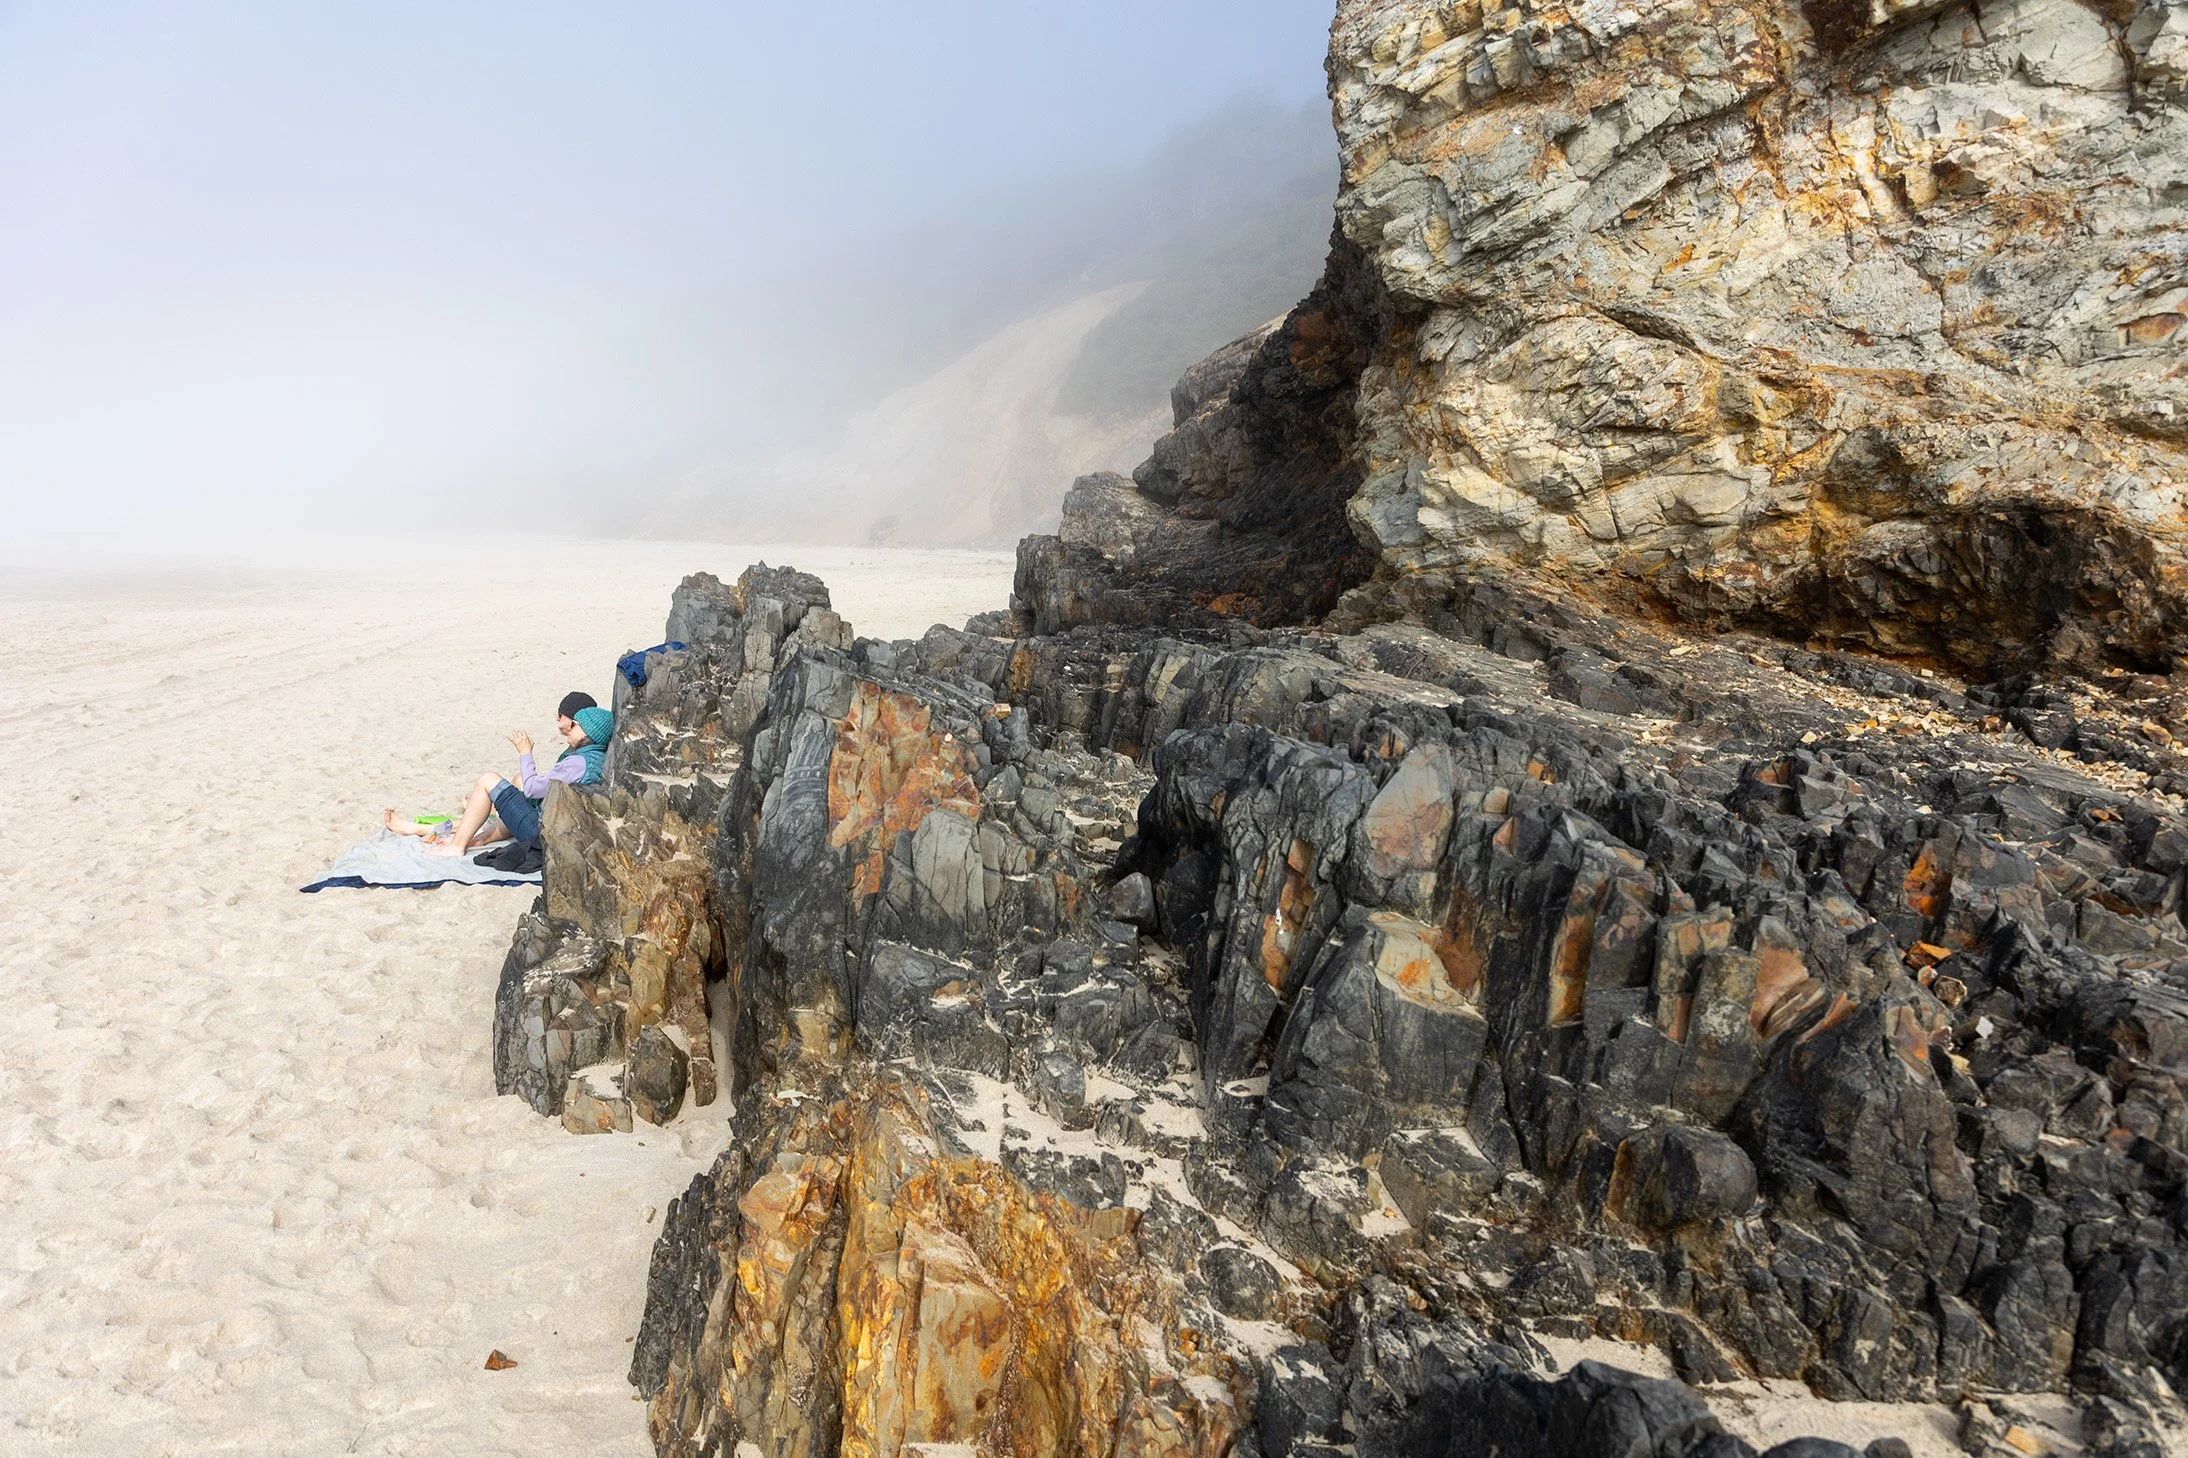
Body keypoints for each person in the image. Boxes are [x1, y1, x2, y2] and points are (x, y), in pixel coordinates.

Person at [383, 692, 614, 858]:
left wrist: (525, 753)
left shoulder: (578, 762)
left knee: (488, 780)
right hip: (555, 824)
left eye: (572, 723)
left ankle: (456, 845)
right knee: (515, 782)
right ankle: (479, 835)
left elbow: (533, 789)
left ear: (588, 731)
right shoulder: (592, 757)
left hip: (541, 831)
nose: (563, 724)